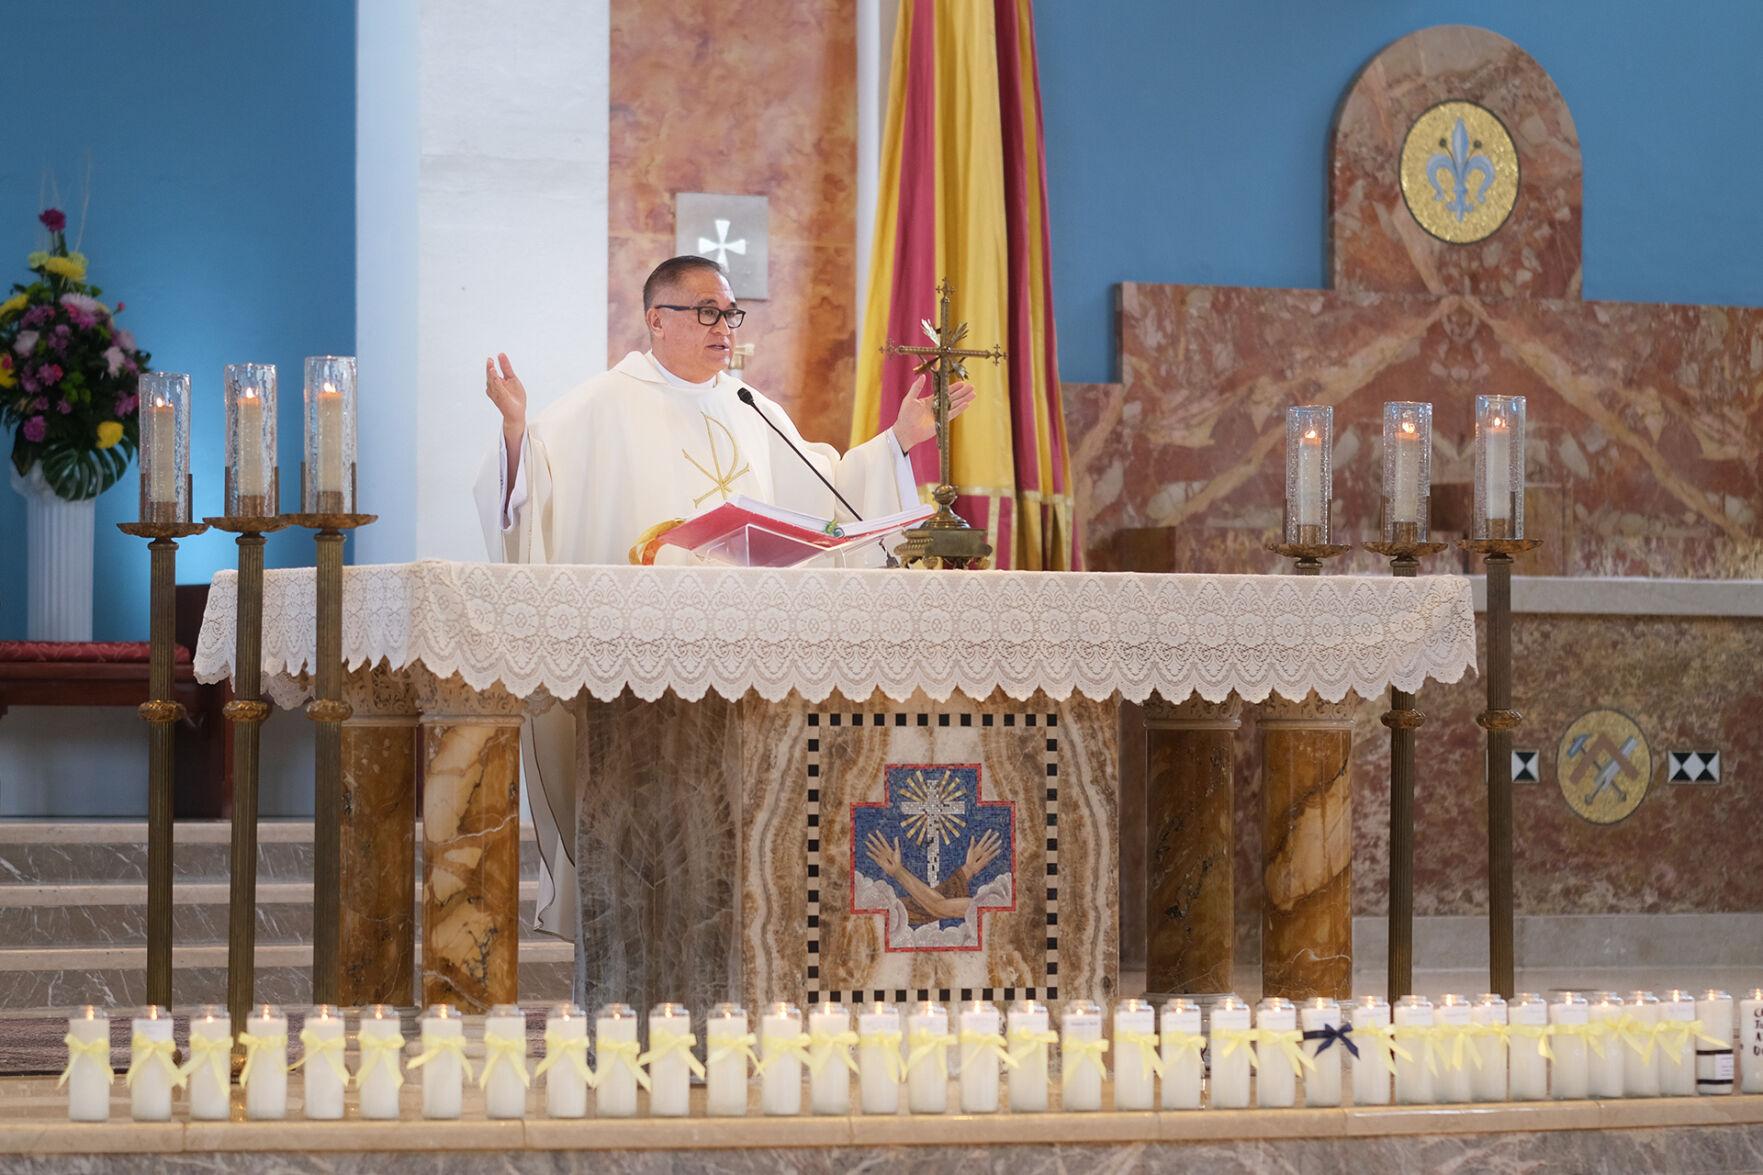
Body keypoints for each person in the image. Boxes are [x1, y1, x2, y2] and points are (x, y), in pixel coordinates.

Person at [472, 254, 977, 936]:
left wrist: (899, 440)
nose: (724, 328)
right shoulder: (600, 405)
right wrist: (513, 432)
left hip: (747, 660)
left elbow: (827, 494)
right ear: (657, 319)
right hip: (644, 665)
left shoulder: (749, 408)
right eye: (706, 312)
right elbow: (528, 491)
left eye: (729, 314)